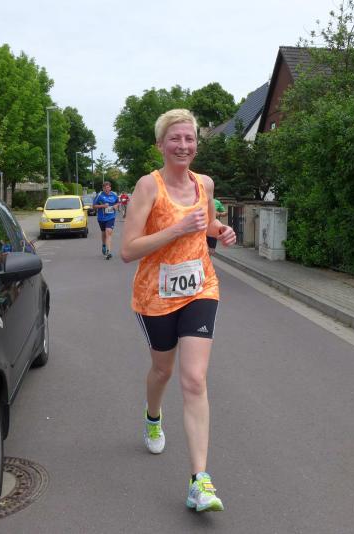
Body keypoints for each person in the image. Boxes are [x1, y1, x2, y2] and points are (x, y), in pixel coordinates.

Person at [120, 109, 236, 513]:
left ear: (196, 145)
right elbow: (127, 249)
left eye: (189, 139)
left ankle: (199, 482)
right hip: (155, 295)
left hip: (200, 287)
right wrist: (176, 229)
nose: (183, 145)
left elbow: (206, 226)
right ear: (160, 145)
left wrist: (222, 230)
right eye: (175, 138)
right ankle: (153, 416)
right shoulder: (147, 187)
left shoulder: (205, 183)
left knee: (194, 379)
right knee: (163, 371)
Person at [93, 182, 119, 259]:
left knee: (109, 232)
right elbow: (94, 206)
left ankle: (108, 251)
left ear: (110, 188)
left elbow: (118, 202)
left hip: (111, 217)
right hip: (101, 218)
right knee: (104, 233)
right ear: (103, 188)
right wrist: (103, 206)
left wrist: (116, 206)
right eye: (105, 188)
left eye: (108, 187)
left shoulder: (114, 195)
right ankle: (104, 244)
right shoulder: (99, 195)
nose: (106, 189)